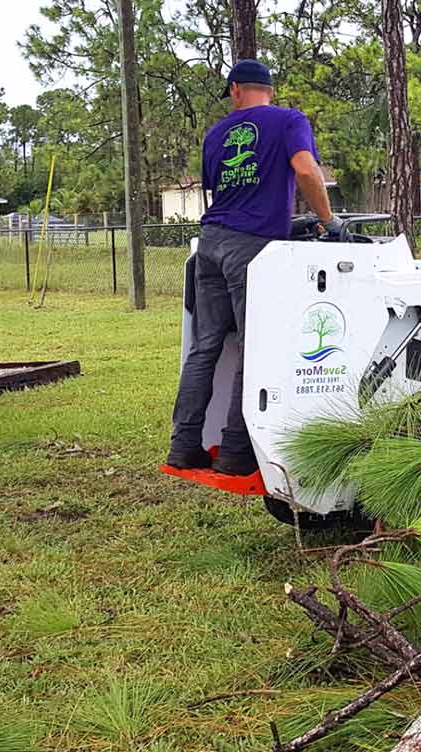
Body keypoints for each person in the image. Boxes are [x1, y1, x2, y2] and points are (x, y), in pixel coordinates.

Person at [166, 59, 342, 474]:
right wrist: (328, 220)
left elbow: (222, 190)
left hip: (209, 245)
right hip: (254, 250)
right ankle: (235, 452)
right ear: (271, 91)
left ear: (234, 91)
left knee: (204, 346)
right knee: (255, 348)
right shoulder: (289, 120)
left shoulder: (214, 135)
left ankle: (184, 444)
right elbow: (304, 169)